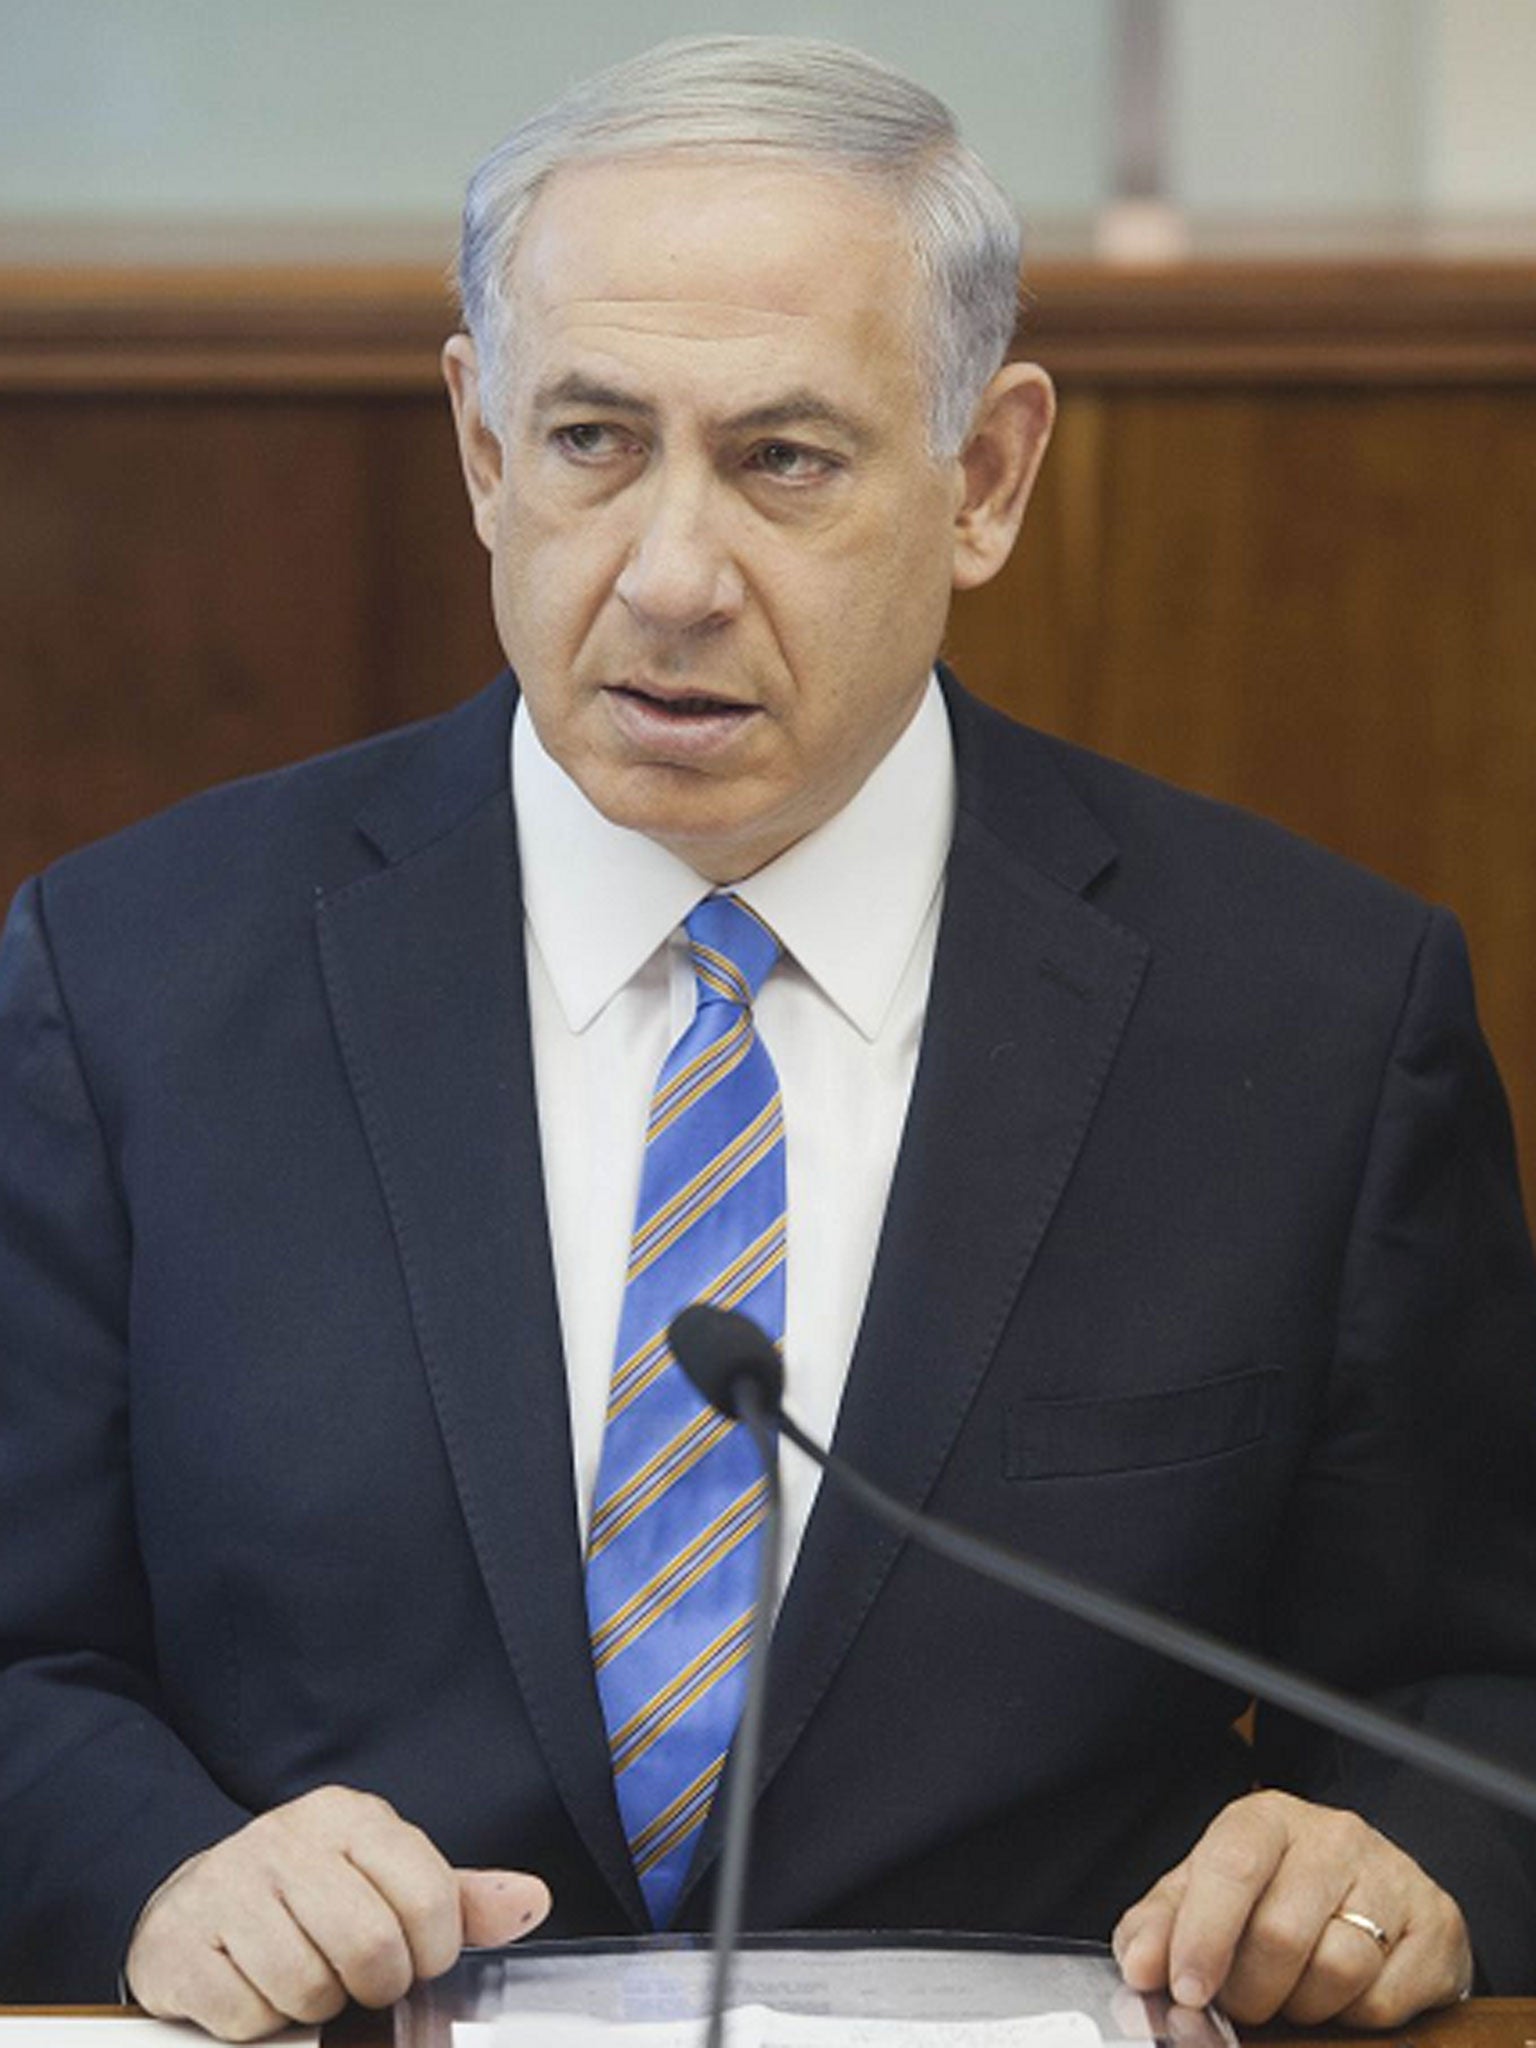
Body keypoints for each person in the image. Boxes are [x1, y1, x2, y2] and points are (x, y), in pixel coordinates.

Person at [2, 35, 1534, 2045]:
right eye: (590, 443)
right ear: (479, 446)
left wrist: (1393, 1857)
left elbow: (1471, 1688)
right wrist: (159, 1875)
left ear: (984, 477)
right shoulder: (134, 975)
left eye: (784, 458)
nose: (669, 574)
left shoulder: (1313, 1018)